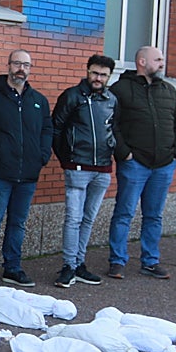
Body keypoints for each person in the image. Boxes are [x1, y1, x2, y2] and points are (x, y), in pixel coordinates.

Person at [107, 46, 176, 280]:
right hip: (134, 164)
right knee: (124, 213)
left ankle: (150, 261)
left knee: (154, 215)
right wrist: (124, 153)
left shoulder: (169, 91)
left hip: (163, 164)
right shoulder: (120, 89)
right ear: (142, 61)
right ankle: (117, 261)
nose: (162, 63)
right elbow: (111, 123)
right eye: (158, 59)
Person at [0, 50, 52, 288]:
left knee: (18, 223)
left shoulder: (38, 100)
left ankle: (13, 268)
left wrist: (42, 155)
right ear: (8, 65)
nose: (21, 68)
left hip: (28, 173)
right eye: (17, 63)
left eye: (26, 64)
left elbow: (47, 129)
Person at [51, 54, 117, 288]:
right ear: (87, 71)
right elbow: (56, 128)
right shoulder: (72, 96)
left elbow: (113, 129)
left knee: (88, 219)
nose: (98, 78)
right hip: (77, 167)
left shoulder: (111, 100)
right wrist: (65, 159)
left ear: (109, 76)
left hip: (103, 168)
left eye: (103, 75)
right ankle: (68, 266)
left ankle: (79, 263)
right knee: (73, 219)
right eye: (94, 73)